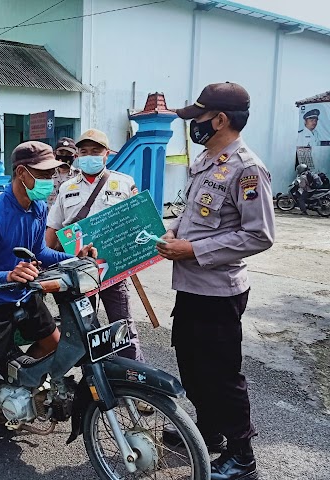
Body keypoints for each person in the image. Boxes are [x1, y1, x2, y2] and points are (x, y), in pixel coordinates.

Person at [0, 141, 96, 477]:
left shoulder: (37, 207)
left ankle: (20, 382)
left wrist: (76, 258)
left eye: (54, 172)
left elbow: (39, 254)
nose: (52, 180)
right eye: (45, 173)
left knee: (57, 345)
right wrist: (8, 274)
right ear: (22, 173)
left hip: (27, 295)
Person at [157, 82, 275, 480]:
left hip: (218, 292)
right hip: (190, 287)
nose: (193, 126)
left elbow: (259, 234)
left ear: (221, 119)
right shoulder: (205, 161)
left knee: (222, 375)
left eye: (199, 118)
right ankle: (209, 434)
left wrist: (193, 251)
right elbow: (191, 216)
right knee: (192, 366)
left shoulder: (247, 168)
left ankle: (242, 455)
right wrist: (174, 234)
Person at [46, 129, 145, 362]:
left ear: (106, 154)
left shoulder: (124, 183)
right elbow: (53, 227)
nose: (89, 155)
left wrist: (138, 255)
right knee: (83, 328)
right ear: (77, 155)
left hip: (113, 267)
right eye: (84, 151)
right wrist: (43, 259)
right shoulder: (66, 187)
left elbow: (139, 222)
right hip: (77, 271)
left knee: (123, 326)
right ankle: (93, 384)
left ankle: (134, 377)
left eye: (95, 151)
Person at [47, 136, 78, 208]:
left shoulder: (79, 176)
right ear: (54, 154)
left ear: (75, 156)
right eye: (61, 153)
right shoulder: (46, 175)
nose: (64, 156)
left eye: (68, 154)